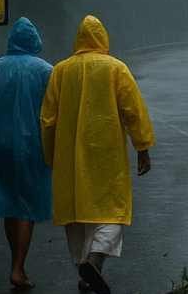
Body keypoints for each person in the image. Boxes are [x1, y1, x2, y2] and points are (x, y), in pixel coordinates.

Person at [40, 15, 155, 294]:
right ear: (103, 38)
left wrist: (50, 154)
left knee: (76, 217)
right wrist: (142, 146)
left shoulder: (60, 71)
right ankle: (95, 261)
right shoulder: (116, 69)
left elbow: (48, 119)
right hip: (107, 157)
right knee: (112, 213)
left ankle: (84, 268)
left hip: (70, 159)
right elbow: (133, 111)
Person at [0, 17, 54, 290]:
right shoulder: (46, 71)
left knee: (9, 204)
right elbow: (55, 112)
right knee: (26, 206)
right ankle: (18, 267)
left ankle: (15, 262)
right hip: (32, 147)